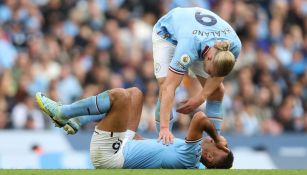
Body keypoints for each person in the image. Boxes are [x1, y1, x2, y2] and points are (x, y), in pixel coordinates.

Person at [36, 87, 233, 169]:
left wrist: (217, 138)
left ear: (209, 156)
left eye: (220, 148)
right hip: (125, 144)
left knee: (120, 97)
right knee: (135, 94)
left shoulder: (192, 154)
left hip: (111, 156)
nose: (221, 143)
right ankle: (77, 122)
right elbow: (151, 150)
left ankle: (65, 113)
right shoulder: (193, 161)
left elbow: (199, 118)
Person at [152, 7, 242, 144]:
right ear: (210, 57)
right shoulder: (188, 47)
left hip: (196, 36)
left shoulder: (234, 46)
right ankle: (163, 138)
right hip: (167, 34)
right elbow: (168, 88)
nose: (211, 75)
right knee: (165, 83)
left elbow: (218, 77)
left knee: (217, 91)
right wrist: (164, 127)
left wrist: (200, 98)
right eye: (211, 72)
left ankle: (214, 141)